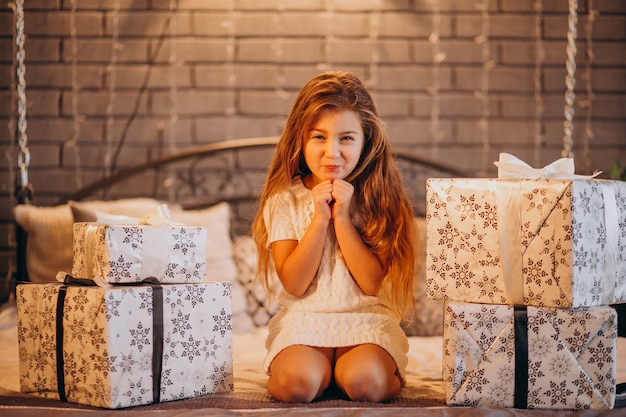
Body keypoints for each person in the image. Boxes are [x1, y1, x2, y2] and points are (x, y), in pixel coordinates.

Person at [252, 71, 416, 403]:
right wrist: (319, 218)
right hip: (305, 319)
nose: (332, 152)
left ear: (366, 140)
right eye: (319, 137)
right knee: (295, 386)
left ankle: (358, 372)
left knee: (365, 384)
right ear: (299, 138)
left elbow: (371, 283)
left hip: (366, 318)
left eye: (346, 138)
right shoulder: (284, 200)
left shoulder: (381, 198)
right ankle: (322, 371)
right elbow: (295, 284)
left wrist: (342, 217)